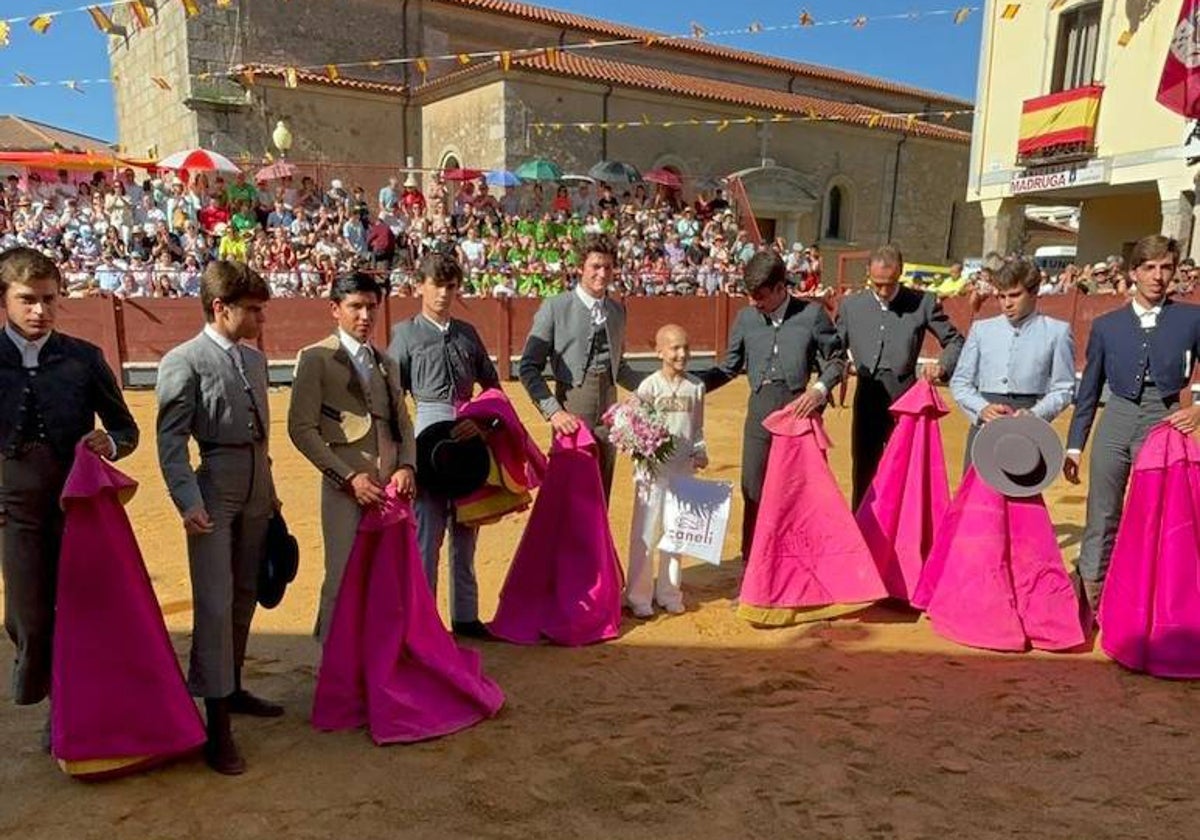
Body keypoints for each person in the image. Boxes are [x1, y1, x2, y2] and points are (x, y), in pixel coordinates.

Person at [0, 247, 138, 742]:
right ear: (5, 300)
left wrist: (112, 443)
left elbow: (126, 428)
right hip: (15, 511)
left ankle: (69, 709)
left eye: (50, 300)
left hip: (79, 509)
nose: (41, 310)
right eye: (28, 300)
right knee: (29, 617)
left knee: (87, 612)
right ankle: (52, 693)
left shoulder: (83, 358)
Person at [155, 260, 281, 775]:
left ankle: (232, 688)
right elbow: (170, 443)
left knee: (245, 592)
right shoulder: (183, 360)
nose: (259, 319)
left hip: (255, 483)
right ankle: (217, 724)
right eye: (252, 310)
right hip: (214, 487)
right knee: (212, 600)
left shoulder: (252, 360)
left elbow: (262, 438)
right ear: (220, 308)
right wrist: (188, 500)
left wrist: (271, 497)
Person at [1064, 234, 1200, 611]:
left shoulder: (1192, 318)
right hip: (1117, 416)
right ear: (1133, 273)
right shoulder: (1108, 326)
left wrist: (1198, 410)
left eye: (1166, 268)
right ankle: (1092, 601)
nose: (1158, 276)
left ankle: (1144, 603)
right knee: (1102, 511)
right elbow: (1089, 390)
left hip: (1166, 420)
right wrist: (1075, 444)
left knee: (1156, 518)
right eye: (1150, 268)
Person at [288, 271, 417, 644]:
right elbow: (301, 429)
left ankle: (377, 662)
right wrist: (347, 478)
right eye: (355, 307)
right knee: (342, 574)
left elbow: (403, 424)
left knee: (387, 578)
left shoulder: (386, 362)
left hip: (389, 486)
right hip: (345, 486)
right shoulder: (316, 358)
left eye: (371, 307)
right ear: (335, 309)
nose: (365, 316)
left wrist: (407, 466)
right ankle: (333, 662)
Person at [701, 250, 845, 558]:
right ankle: (753, 558)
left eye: (761, 295)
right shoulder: (746, 319)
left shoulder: (812, 315)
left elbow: (836, 360)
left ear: (782, 288)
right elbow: (728, 368)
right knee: (752, 486)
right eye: (751, 295)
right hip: (760, 412)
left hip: (799, 413)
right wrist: (689, 385)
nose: (755, 302)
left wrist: (818, 390)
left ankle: (797, 558)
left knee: (798, 492)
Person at [388, 254, 500, 638]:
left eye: (450, 286)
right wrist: (404, 453)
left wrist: (483, 424)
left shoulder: (468, 333)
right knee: (427, 533)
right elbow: (391, 397)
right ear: (419, 285)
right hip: (426, 432)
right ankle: (424, 622)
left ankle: (465, 618)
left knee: (466, 530)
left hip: (467, 434)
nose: (442, 293)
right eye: (436, 284)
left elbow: (494, 389)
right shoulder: (404, 334)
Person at [836, 244, 963, 509]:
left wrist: (941, 366)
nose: (883, 291)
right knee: (864, 467)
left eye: (890, 284)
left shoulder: (922, 302)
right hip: (867, 395)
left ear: (901, 273)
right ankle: (863, 527)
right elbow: (833, 348)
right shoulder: (851, 306)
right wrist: (836, 370)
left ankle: (901, 532)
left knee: (905, 468)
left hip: (906, 400)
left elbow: (955, 340)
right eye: (877, 284)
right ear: (868, 274)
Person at [518, 233, 643, 501]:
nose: (602, 273)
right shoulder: (555, 307)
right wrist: (554, 413)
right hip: (571, 414)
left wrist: (655, 386)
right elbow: (528, 368)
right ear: (580, 268)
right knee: (570, 496)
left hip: (610, 416)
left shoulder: (617, 311)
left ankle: (596, 546)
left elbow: (619, 368)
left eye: (608, 267)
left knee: (601, 494)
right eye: (595, 266)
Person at [950, 257, 1076, 469]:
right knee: (977, 497)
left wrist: (1036, 413)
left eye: (1015, 295)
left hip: (1028, 420)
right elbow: (960, 382)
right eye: (1001, 296)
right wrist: (982, 409)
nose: (1007, 303)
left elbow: (1063, 388)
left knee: (1020, 494)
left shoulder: (1057, 332)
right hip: (986, 421)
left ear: (1034, 292)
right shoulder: (981, 329)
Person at [625, 324, 707, 618]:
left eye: (686, 347)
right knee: (645, 532)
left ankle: (670, 591)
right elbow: (632, 425)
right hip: (651, 470)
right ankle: (638, 595)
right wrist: (639, 450)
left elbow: (697, 426)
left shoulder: (696, 386)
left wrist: (700, 449)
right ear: (659, 351)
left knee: (677, 531)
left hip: (682, 469)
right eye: (674, 348)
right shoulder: (649, 386)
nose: (682, 354)